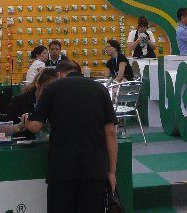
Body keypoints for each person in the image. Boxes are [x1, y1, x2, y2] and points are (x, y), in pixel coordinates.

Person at [26, 60, 118, 212]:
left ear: (59, 74)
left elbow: (35, 127)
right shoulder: (100, 89)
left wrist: (26, 120)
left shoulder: (52, 88)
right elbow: (111, 132)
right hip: (94, 169)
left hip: (62, 169)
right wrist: (112, 172)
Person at [6, 67, 58, 140]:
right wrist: (20, 126)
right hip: (25, 143)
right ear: (37, 85)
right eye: (46, 89)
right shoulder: (20, 100)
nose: (50, 94)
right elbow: (5, 130)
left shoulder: (58, 101)